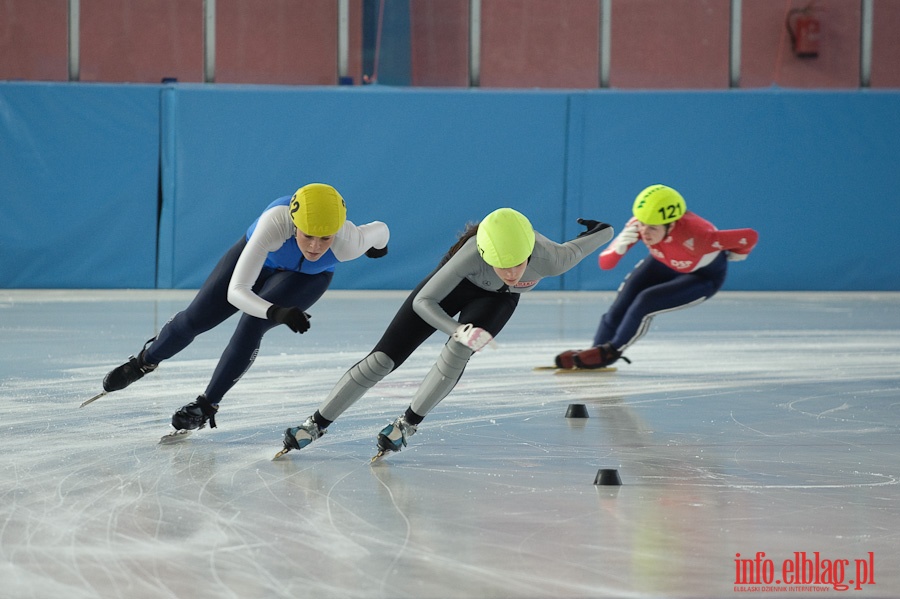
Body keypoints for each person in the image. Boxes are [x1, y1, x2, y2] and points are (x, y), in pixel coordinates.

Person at [276, 207, 614, 459]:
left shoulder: (552, 259)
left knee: (457, 351)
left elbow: (590, 241)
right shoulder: (469, 256)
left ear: (530, 254)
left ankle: (406, 424)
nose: (511, 273)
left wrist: (602, 229)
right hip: (451, 290)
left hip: (497, 301)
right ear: (484, 253)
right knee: (381, 359)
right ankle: (315, 423)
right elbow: (425, 301)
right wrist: (457, 328)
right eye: (501, 263)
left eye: (518, 264)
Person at [100, 183, 390, 431]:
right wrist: (275, 310)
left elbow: (381, 230)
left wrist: (378, 248)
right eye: (307, 235)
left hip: (305, 278)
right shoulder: (275, 223)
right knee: (195, 319)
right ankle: (143, 362)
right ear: (294, 223)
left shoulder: (349, 241)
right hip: (260, 259)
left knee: (253, 324)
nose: (314, 247)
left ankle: (207, 405)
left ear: (336, 231)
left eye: (324, 237)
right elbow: (237, 290)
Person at [555, 184, 759, 370]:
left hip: (704, 276)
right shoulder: (639, 224)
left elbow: (750, 236)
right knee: (620, 304)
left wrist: (738, 254)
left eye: (652, 228)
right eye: (642, 224)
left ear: (672, 225)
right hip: (663, 263)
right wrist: (620, 246)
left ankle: (611, 351)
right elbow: (605, 264)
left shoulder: (700, 236)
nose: (644, 232)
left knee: (646, 301)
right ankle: (597, 349)